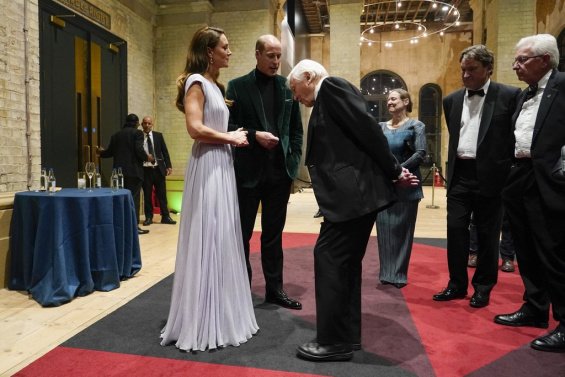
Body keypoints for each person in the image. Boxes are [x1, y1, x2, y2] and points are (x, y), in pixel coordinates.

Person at [287, 59, 418, 362]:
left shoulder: (331, 87)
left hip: (353, 197)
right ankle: (346, 336)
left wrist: (395, 171)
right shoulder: (326, 97)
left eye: (296, 89)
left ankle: (333, 342)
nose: (296, 97)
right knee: (342, 264)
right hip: (351, 198)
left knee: (329, 259)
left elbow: (368, 131)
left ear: (309, 76)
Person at [160, 26, 258, 352]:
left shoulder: (217, 86)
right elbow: (195, 128)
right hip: (208, 167)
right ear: (208, 51)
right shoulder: (196, 82)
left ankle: (219, 312)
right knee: (209, 234)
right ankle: (202, 317)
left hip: (222, 165)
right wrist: (230, 137)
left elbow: (214, 126)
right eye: (225, 47)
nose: (230, 52)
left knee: (222, 235)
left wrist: (237, 134)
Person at [433, 45, 520, 308]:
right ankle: (457, 285)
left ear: (488, 69)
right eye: (463, 70)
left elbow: (513, 137)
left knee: (487, 235)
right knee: (456, 231)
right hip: (460, 174)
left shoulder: (509, 95)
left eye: (472, 70)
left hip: (492, 177)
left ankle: (482, 287)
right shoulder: (451, 100)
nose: (466, 75)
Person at [494, 34, 565, 353]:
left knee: (554, 253)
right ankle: (535, 309)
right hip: (520, 176)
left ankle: (564, 323)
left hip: (551, 181)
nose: (515, 65)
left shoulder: (563, 85)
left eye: (522, 59)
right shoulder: (524, 95)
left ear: (545, 60)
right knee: (525, 248)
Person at [226, 35, 303, 310]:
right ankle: (240, 291)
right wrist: (253, 135)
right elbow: (228, 126)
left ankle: (275, 290)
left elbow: (296, 130)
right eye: (270, 55)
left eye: (279, 56)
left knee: (273, 235)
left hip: (278, 175)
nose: (276, 61)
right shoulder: (236, 87)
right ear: (257, 54)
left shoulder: (286, 87)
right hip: (247, 174)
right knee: (242, 235)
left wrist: (292, 162)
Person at [376, 89, 426, 289]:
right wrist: (391, 173)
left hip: (408, 183)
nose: (389, 102)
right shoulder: (379, 127)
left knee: (403, 230)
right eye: (387, 99)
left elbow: (421, 153)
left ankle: (398, 274)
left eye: (393, 98)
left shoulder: (416, 125)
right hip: (384, 185)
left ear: (405, 101)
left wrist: (400, 172)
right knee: (384, 231)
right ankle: (386, 273)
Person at [98, 113, 153, 235]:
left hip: (118, 173)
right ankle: (134, 227)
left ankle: (120, 226)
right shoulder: (137, 133)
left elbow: (109, 152)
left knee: (120, 199)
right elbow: (139, 149)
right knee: (133, 199)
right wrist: (147, 157)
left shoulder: (116, 135)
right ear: (137, 123)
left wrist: (100, 152)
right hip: (134, 172)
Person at [140, 115, 177, 226]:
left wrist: (168, 166)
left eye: (149, 123)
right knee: (147, 195)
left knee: (162, 194)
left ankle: (165, 216)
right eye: (145, 123)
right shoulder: (138, 137)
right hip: (145, 170)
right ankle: (149, 217)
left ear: (152, 124)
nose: (147, 125)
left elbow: (164, 151)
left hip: (158, 169)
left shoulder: (158, 136)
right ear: (142, 124)